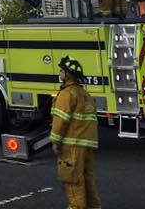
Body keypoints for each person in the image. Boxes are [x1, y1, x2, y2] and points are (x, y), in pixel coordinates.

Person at [50, 56, 101, 209]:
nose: (60, 73)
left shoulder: (67, 94)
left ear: (67, 74)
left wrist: (55, 141)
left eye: (61, 71)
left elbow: (60, 120)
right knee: (88, 181)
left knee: (73, 182)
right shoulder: (86, 95)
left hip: (72, 146)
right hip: (87, 146)